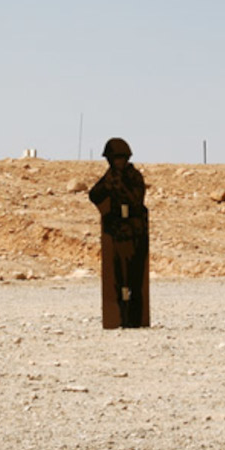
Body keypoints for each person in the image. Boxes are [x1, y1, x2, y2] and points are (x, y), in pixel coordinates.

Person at [88, 138, 150, 329]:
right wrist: (109, 183)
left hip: (134, 233)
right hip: (116, 233)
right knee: (117, 279)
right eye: (114, 159)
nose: (117, 162)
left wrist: (119, 184)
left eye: (120, 158)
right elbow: (94, 195)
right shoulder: (110, 177)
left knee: (134, 280)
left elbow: (136, 199)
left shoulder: (133, 177)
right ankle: (118, 317)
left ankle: (134, 318)